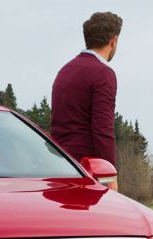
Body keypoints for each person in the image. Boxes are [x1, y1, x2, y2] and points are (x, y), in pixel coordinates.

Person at [51, 12, 123, 167]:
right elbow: (103, 130)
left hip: (57, 166)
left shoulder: (64, 71)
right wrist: (109, 176)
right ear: (114, 40)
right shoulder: (103, 74)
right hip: (85, 171)